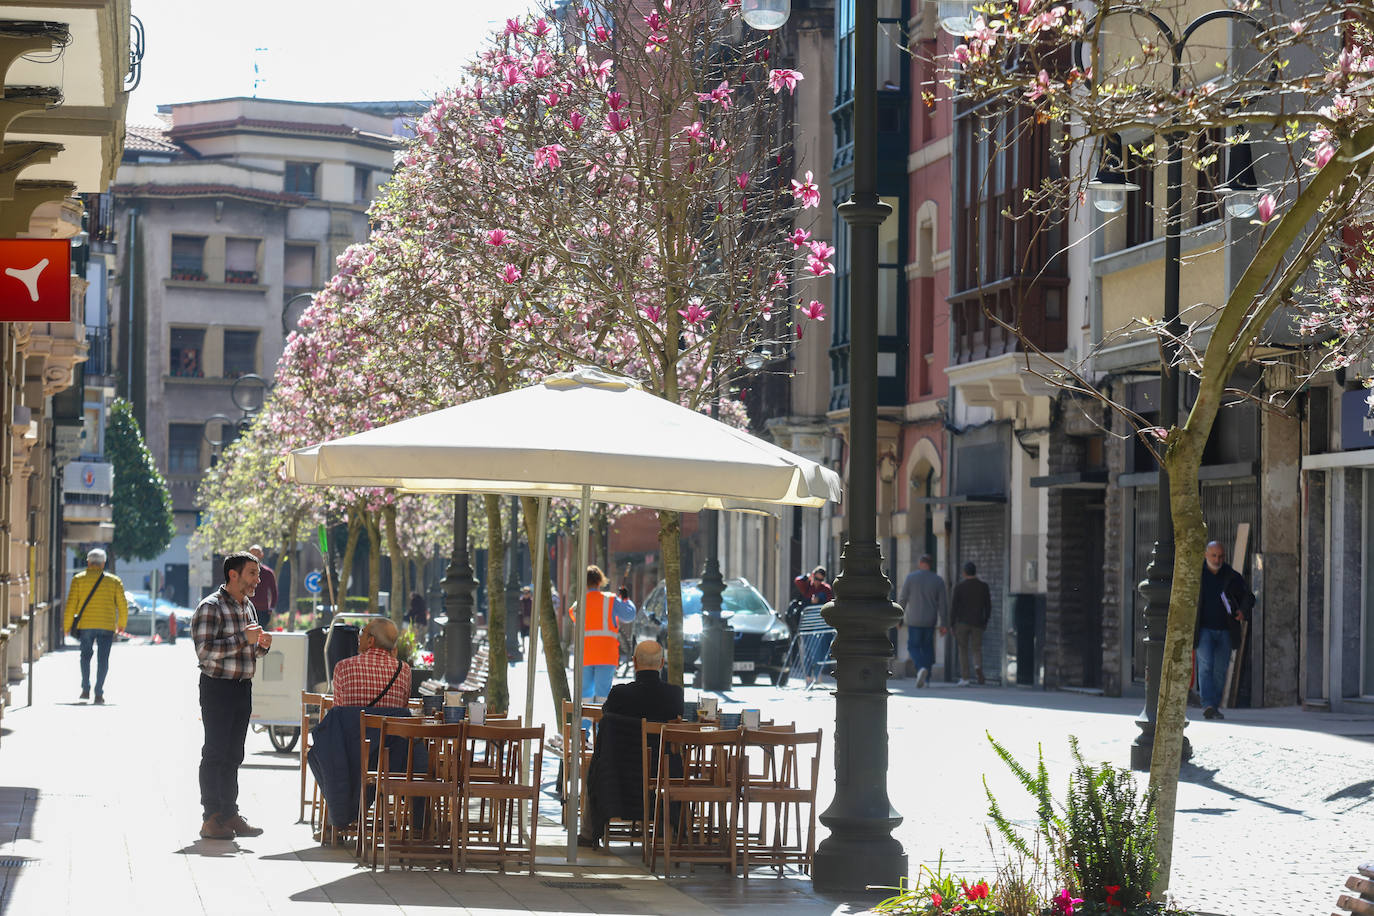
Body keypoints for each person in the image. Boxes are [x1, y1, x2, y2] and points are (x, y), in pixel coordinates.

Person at [192, 551, 271, 840]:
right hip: (217, 686)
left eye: (258, 574)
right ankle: (210, 818)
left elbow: (250, 651)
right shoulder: (209, 607)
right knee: (215, 752)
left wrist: (262, 646)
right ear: (233, 575)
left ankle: (229, 813)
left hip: (242, 687)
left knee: (234, 753)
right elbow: (205, 652)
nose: (258, 580)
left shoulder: (247, 606)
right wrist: (243, 639)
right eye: (252, 573)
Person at [577, 639, 684, 848]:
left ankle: (589, 833)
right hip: (662, 772)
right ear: (662, 663)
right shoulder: (674, 695)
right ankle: (670, 825)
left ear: (634, 662)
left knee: (593, 766)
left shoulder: (620, 694)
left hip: (619, 774)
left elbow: (605, 720)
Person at [1195, 540, 1253, 720]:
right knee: (1205, 666)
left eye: (1220, 556)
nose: (1217, 559)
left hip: (1226, 631)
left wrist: (1243, 611)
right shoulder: (1197, 576)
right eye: (1214, 555)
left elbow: (1248, 596)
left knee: (1220, 670)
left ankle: (1215, 705)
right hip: (1203, 630)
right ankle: (1208, 704)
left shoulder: (1231, 576)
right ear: (1206, 555)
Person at [63, 548, 128, 704]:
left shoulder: (78, 579)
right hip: (106, 626)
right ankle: (99, 693)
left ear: (88, 562)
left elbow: (71, 604)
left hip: (86, 625)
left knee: (85, 657)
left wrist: (66, 626)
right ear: (103, 563)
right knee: (103, 659)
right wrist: (121, 624)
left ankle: (85, 689)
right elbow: (122, 605)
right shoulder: (114, 581)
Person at [570, 565, 635, 702]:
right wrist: (625, 599)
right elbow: (629, 615)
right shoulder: (610, 600)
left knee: (585, 694)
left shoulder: (579, 604)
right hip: (606, 654)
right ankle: (601, 722)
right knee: (603, 694)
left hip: (584, 655)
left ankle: (585, 723)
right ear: (600, 581)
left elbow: (577, 620)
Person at [331, 618, 411, 708]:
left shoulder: (343, 667)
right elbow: (402, 709)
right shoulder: (404, 670)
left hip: (354, 722)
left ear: (370, 641)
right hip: (389, 722)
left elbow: (338, 711)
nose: (359, 637)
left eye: (362, 632)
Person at [899, 554, 948, 688]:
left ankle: (921, 668)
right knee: (927, 648)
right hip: (930, 620)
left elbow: (902, 599)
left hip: (914, 620)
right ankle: (927, 679)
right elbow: (943, 604)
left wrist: (899, 618)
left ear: (920, 563)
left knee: (913, 646)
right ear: (930, 564)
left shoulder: (910, 578)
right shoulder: (938, 580)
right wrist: (944, 623)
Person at [949, 561, 992, 686]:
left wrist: (952, 624)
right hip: (978, 622)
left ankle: (965, 677)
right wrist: (985, 621)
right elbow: (988, 606)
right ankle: (978, 666)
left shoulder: (959, 587)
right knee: (976, 648)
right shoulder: (983, 586)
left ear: (964, 573)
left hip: (962, 623)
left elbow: (954, 607)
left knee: (963, 650)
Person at [247, 545, 277, 630]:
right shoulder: (243, 573)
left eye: (257, 553)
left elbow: (274, 592)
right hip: (247, 609)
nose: (255, 555)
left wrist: (271, 608)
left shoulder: (268, 573)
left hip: (263, 610)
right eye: (253, 553)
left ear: (262, 555)